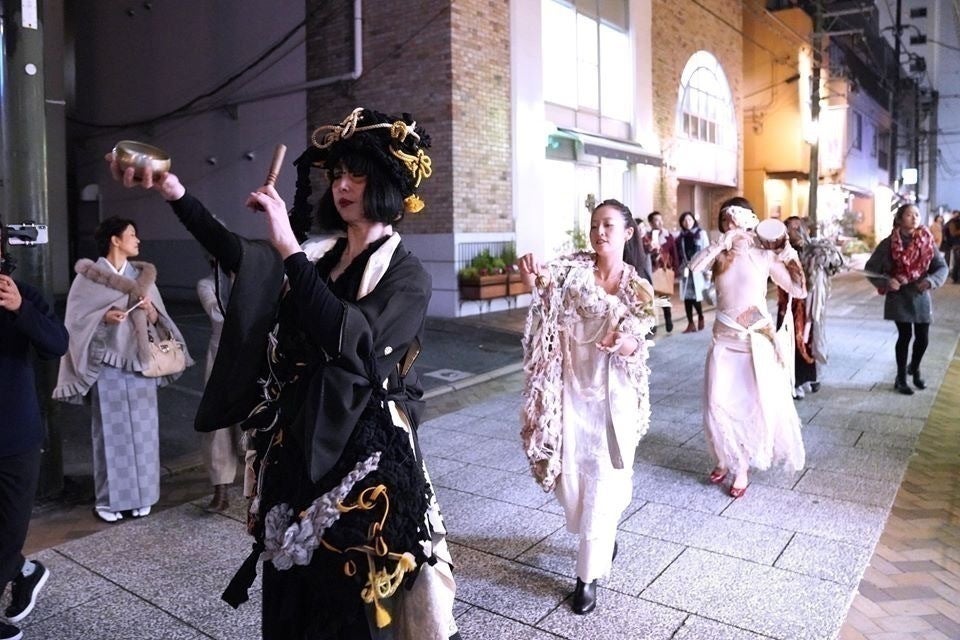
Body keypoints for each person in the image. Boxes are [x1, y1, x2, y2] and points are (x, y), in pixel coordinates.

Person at [108, 107, 460, 640]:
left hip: (361, 456)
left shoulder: (408, 276)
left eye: (357, 175)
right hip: (295, 442)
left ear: (388, 185)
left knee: (349, 602)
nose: (341, 186)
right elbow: (241, 257)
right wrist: (175, 193)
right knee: (288, 589)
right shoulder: (322, 255)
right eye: (336, 174)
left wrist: (289, 248)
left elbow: (351, 340)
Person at [518, 199, 657, 616]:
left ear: (627, 233)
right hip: (570, 394)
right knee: (573, 485)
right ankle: (602, 535)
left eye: (608, 225)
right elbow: (544, 299)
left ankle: (586, 577)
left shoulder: (638, 288)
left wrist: (624, 343)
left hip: (615, 399)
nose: (600, 232)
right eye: (595, 225)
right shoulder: (569, 272)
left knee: (604, 480)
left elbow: (639, 343)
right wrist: (532, 278)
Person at [53, 217, 193, 523]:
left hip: (140, 364)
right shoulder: (88, 279)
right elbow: (75, 321)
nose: (137, 240)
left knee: (144, 433)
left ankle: (143, 497)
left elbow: (159, 320)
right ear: (115, 240)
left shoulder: (143, 278)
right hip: (107, 365)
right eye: (132, 234)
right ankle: (109, 502)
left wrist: (150, 310)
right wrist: (104, 317)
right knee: (110, 435)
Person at [688, 197, 807, 498]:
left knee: (749, 404)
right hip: (723, 339)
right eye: (726, 220)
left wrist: (788, 254)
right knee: (716, 402)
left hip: (754, 339)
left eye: (736, 218)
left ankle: (740, 467)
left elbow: (799, 289)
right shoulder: (721, 254)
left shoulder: (763, 255)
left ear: (750, 220)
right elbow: (693, 268)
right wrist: (721, 243)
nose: (731, 224)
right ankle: (723, 457)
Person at [0, 219, 68, 640]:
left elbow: (56, 344)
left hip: (15, 438)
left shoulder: (24, 295)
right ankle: (24, 570)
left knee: (8, 530)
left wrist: (19, 309)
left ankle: (19, 566)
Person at [865, 204, 947, 395]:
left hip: (920, 293)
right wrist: (886, 282)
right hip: (898, 295)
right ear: (900, 219)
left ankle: (915, 368)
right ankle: (901, 378)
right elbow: (871, 269)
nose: (914, 218)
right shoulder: (888, 243)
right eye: (909, 214)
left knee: (923, 337)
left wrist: (931, 281)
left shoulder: (927, 240)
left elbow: (941, 267)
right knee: (905, 335)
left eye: (917, 214)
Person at [776, 217, 845, 398]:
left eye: (798, 226)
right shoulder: (781, 251)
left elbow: (833, 265)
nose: (795, 231)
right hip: (790, 304)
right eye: (790, 227)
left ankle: (807, 377)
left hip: (809, 304)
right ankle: (794, 381)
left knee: (809, 340)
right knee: (791, 341)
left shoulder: (814, 249)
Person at [196, 260, 240, 512]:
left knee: (256, 421)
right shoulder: (207, 284)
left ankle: (258, 486)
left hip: (252, 353)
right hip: (220, 355)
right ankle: (220, 490)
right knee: (218, 425)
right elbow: (219, 314)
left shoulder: (253, 277)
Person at [675, 211, 710, 332]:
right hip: (686, 270)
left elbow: (707, 251)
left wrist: (707, 270)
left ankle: (700, 317)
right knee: (686, 297)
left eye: (689, 219)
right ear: (681, 223)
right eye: (684, 220)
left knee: (696, 297)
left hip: (698, 270)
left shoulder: (701, 233)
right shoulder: (681, 236)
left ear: (694, 221)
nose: (687, 222)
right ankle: (690, 323)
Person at [642, 211, 676, 332]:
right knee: (651, 299)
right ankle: (653, 324)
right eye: (657, 220)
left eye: (661, 220)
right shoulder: (646, 237)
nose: (660, 222)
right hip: (650, 270)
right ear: (651, 223)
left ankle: (668, 318)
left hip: (663, 269)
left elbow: (674, 253)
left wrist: (675, 269)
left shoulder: (668, 236)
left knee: (664, 297)